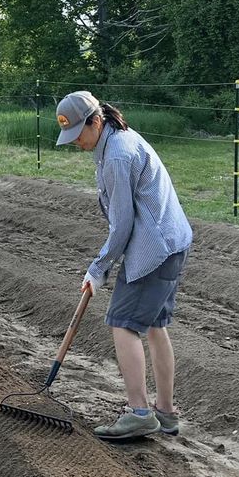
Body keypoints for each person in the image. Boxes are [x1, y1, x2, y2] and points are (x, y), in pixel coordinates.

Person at [55, 90, 192, 440]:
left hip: (154, 249)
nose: (76, 142)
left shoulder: (116, 154)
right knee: (155, 325)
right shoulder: (117, 139)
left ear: (96, 122)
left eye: (78, 134)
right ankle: (165, 412)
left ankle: (140, 413)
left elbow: (122, 225)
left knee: (122, 322)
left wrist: (98, 268)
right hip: (172, 242)